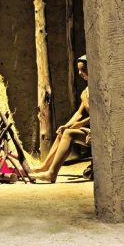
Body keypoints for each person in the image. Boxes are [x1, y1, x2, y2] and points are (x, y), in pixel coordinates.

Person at [32, 55, 89, 183]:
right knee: (63, 132)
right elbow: (79, 114)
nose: (80, 73)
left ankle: (52, 173)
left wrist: (79, 125)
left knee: (69, 134)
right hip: (90, 131)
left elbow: (97, 117)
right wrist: (66, 126)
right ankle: (44, 167)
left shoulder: (99, 90)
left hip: (101, 134)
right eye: (79, 70)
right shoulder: (86, 92)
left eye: (83, 69)